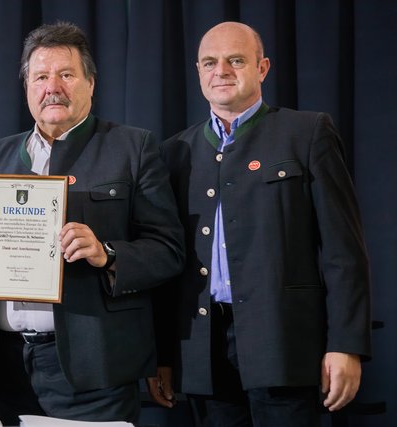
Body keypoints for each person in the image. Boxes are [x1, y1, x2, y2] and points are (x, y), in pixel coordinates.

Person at [0, 21, 185, 425]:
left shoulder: (132, 149)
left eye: (66, 74)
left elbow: (168, 250)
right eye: (41, 76)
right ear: (27, 87)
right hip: (7, 367)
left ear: (91, 83)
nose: (52, 87)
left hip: (94, 367)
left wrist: (107, 253)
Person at [149, 21, 372, 427]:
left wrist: (346, 344)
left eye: (236, 60)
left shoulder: (306, 134)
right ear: (198, 71)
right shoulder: (175, 151)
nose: (222, 71)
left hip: (284, 344)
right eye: (210, 63)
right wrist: (164, 354)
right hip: (205, 349)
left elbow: (344, 251)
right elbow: (169, 262)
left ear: (263, 68)